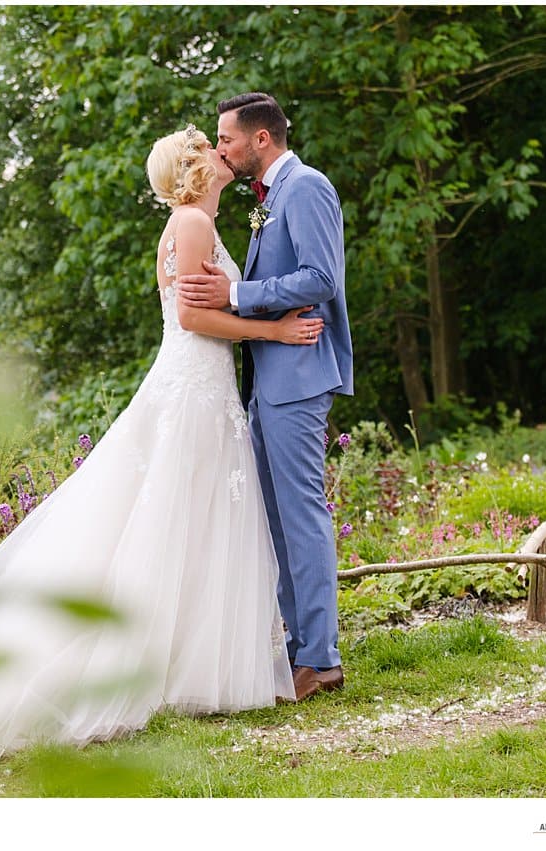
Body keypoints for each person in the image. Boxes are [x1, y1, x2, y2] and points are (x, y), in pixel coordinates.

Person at [0, 125, 322, 764]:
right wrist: (274, 333)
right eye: (209, 145)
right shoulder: (190, 224)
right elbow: (190, 317)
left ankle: (193, 666)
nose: (220, 148)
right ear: (194, 167)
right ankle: (154, 667)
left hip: (208, 389)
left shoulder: (200, 223)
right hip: (191, 390)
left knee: (196, 521)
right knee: (172, 517)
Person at [178, 92, 353, 701]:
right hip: (269, 378)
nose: (220, 149)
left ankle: (321, 660)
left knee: (301, 514)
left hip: (299, 375)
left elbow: (320, 278)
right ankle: (301, 651)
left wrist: (237, 295)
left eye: (226, 139)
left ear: (260, 138)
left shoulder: (306, 188)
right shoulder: (269, 199)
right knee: (277, 518)